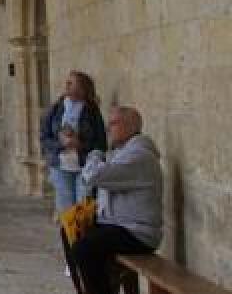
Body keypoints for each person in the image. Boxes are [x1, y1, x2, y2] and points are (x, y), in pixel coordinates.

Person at [66, 105, 164, 294]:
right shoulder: (124, 151)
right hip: (118, 224)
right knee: (70, 230)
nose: (108, 128)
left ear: (129, 126)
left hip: (137, 232)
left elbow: (94, 176)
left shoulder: (139, 155)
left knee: (84, 249)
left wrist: (94, 154)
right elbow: (96, 180)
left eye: (113, 123)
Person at [41, 71, 108, 215]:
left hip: (85, 167)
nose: (66, 85)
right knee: (66, 212)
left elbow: (102, 143)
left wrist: (80, 144)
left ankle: (83, 238)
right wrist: (61, 144)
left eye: (71, 83)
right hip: (60, 166)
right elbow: (44, 138)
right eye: (67, 82)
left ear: (82, 88)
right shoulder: (56, 109)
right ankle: (69, 238)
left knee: (84, 210)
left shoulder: (92, 111)